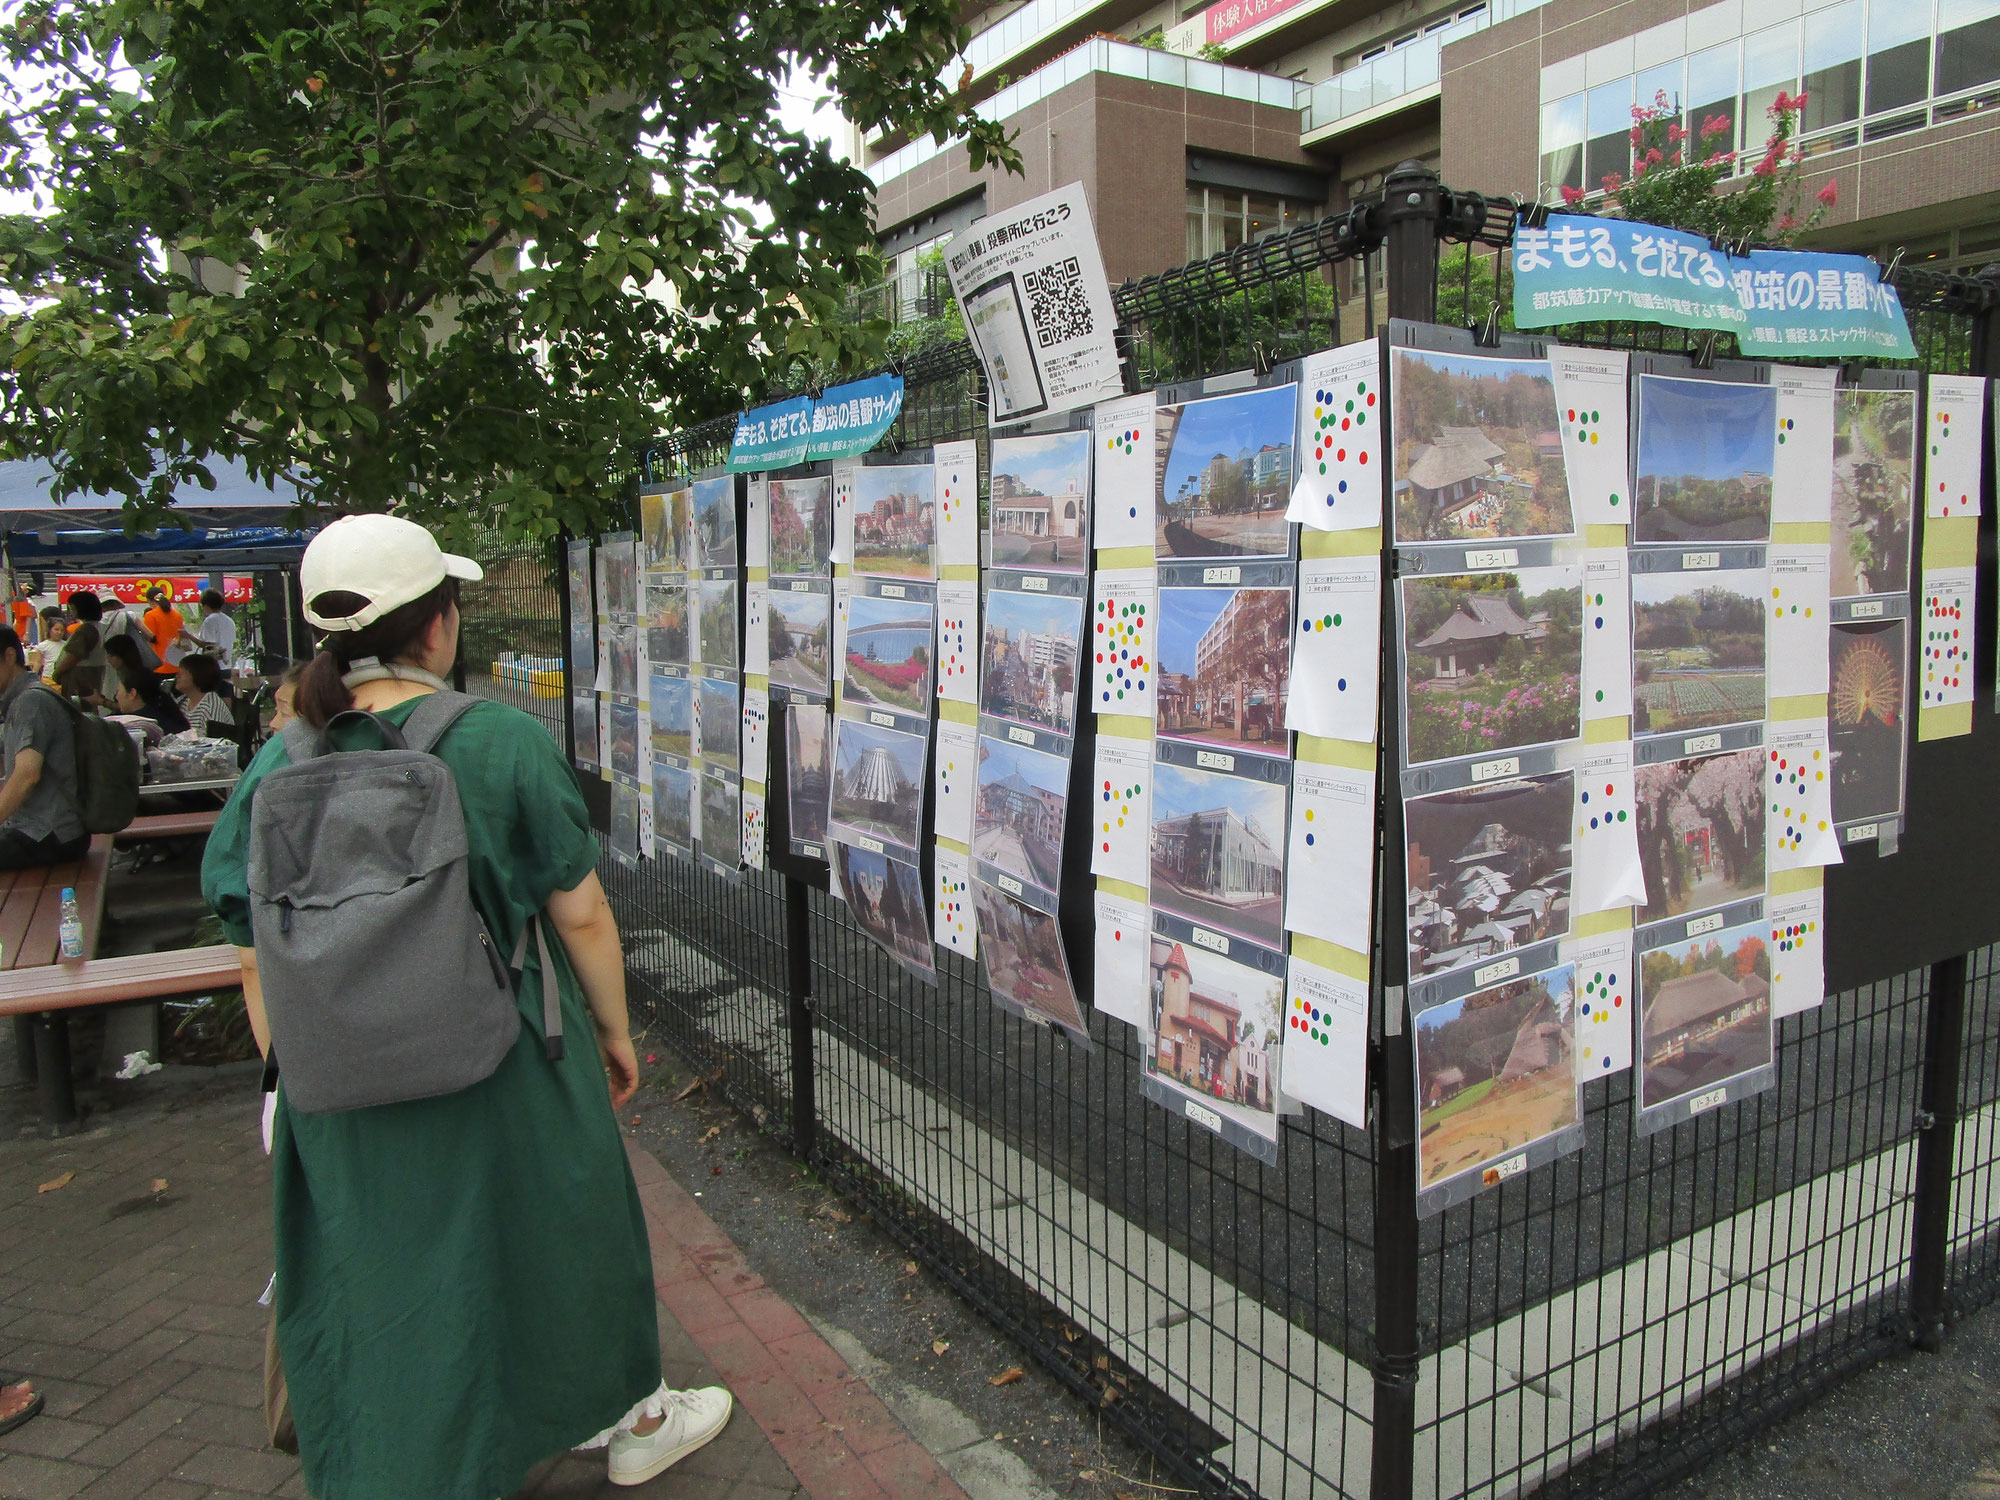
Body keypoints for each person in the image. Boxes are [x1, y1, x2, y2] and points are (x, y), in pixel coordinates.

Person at [200, 514, 731, 1499]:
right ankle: (633, 1418)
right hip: (511, 1053)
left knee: (394, 1273)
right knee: (562, 1232)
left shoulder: (277, 768)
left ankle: (415, 1462)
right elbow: (580, 918)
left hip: (340, 1090)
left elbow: (250, 957)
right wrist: (614, 1035)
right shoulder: (495, 742)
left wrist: (304, 1079)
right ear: (439, 626)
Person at [0, 627, 86, 870]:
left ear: (9, 656)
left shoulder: (31, 701)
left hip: (48, 834)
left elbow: (27, 775)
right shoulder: (21, 698)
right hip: (42, 830)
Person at [51, 592, 108, 702]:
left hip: (79, 678)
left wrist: (57, 673)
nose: (71, 612)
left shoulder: (86, 630)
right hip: (93, 675)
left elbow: (73, 656)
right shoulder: (98, 627)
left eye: (72, 608)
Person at [114, 668, 190, 736]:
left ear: (132, 693)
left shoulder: (137, 726)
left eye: (118, 691)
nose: (116, 696)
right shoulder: (166, 715)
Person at [180, 589, 238, 673]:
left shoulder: (210, 621)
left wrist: (188, 636)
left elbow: (209, 646)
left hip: (212, 667)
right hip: (226, 666)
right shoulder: (229, 620)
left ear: (206, 605)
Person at [142, 587, 185, 677]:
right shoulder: (177, 615)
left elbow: (148, 638)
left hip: (158, 665)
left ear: (150, 601)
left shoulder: (150, 615)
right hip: (176, 663)